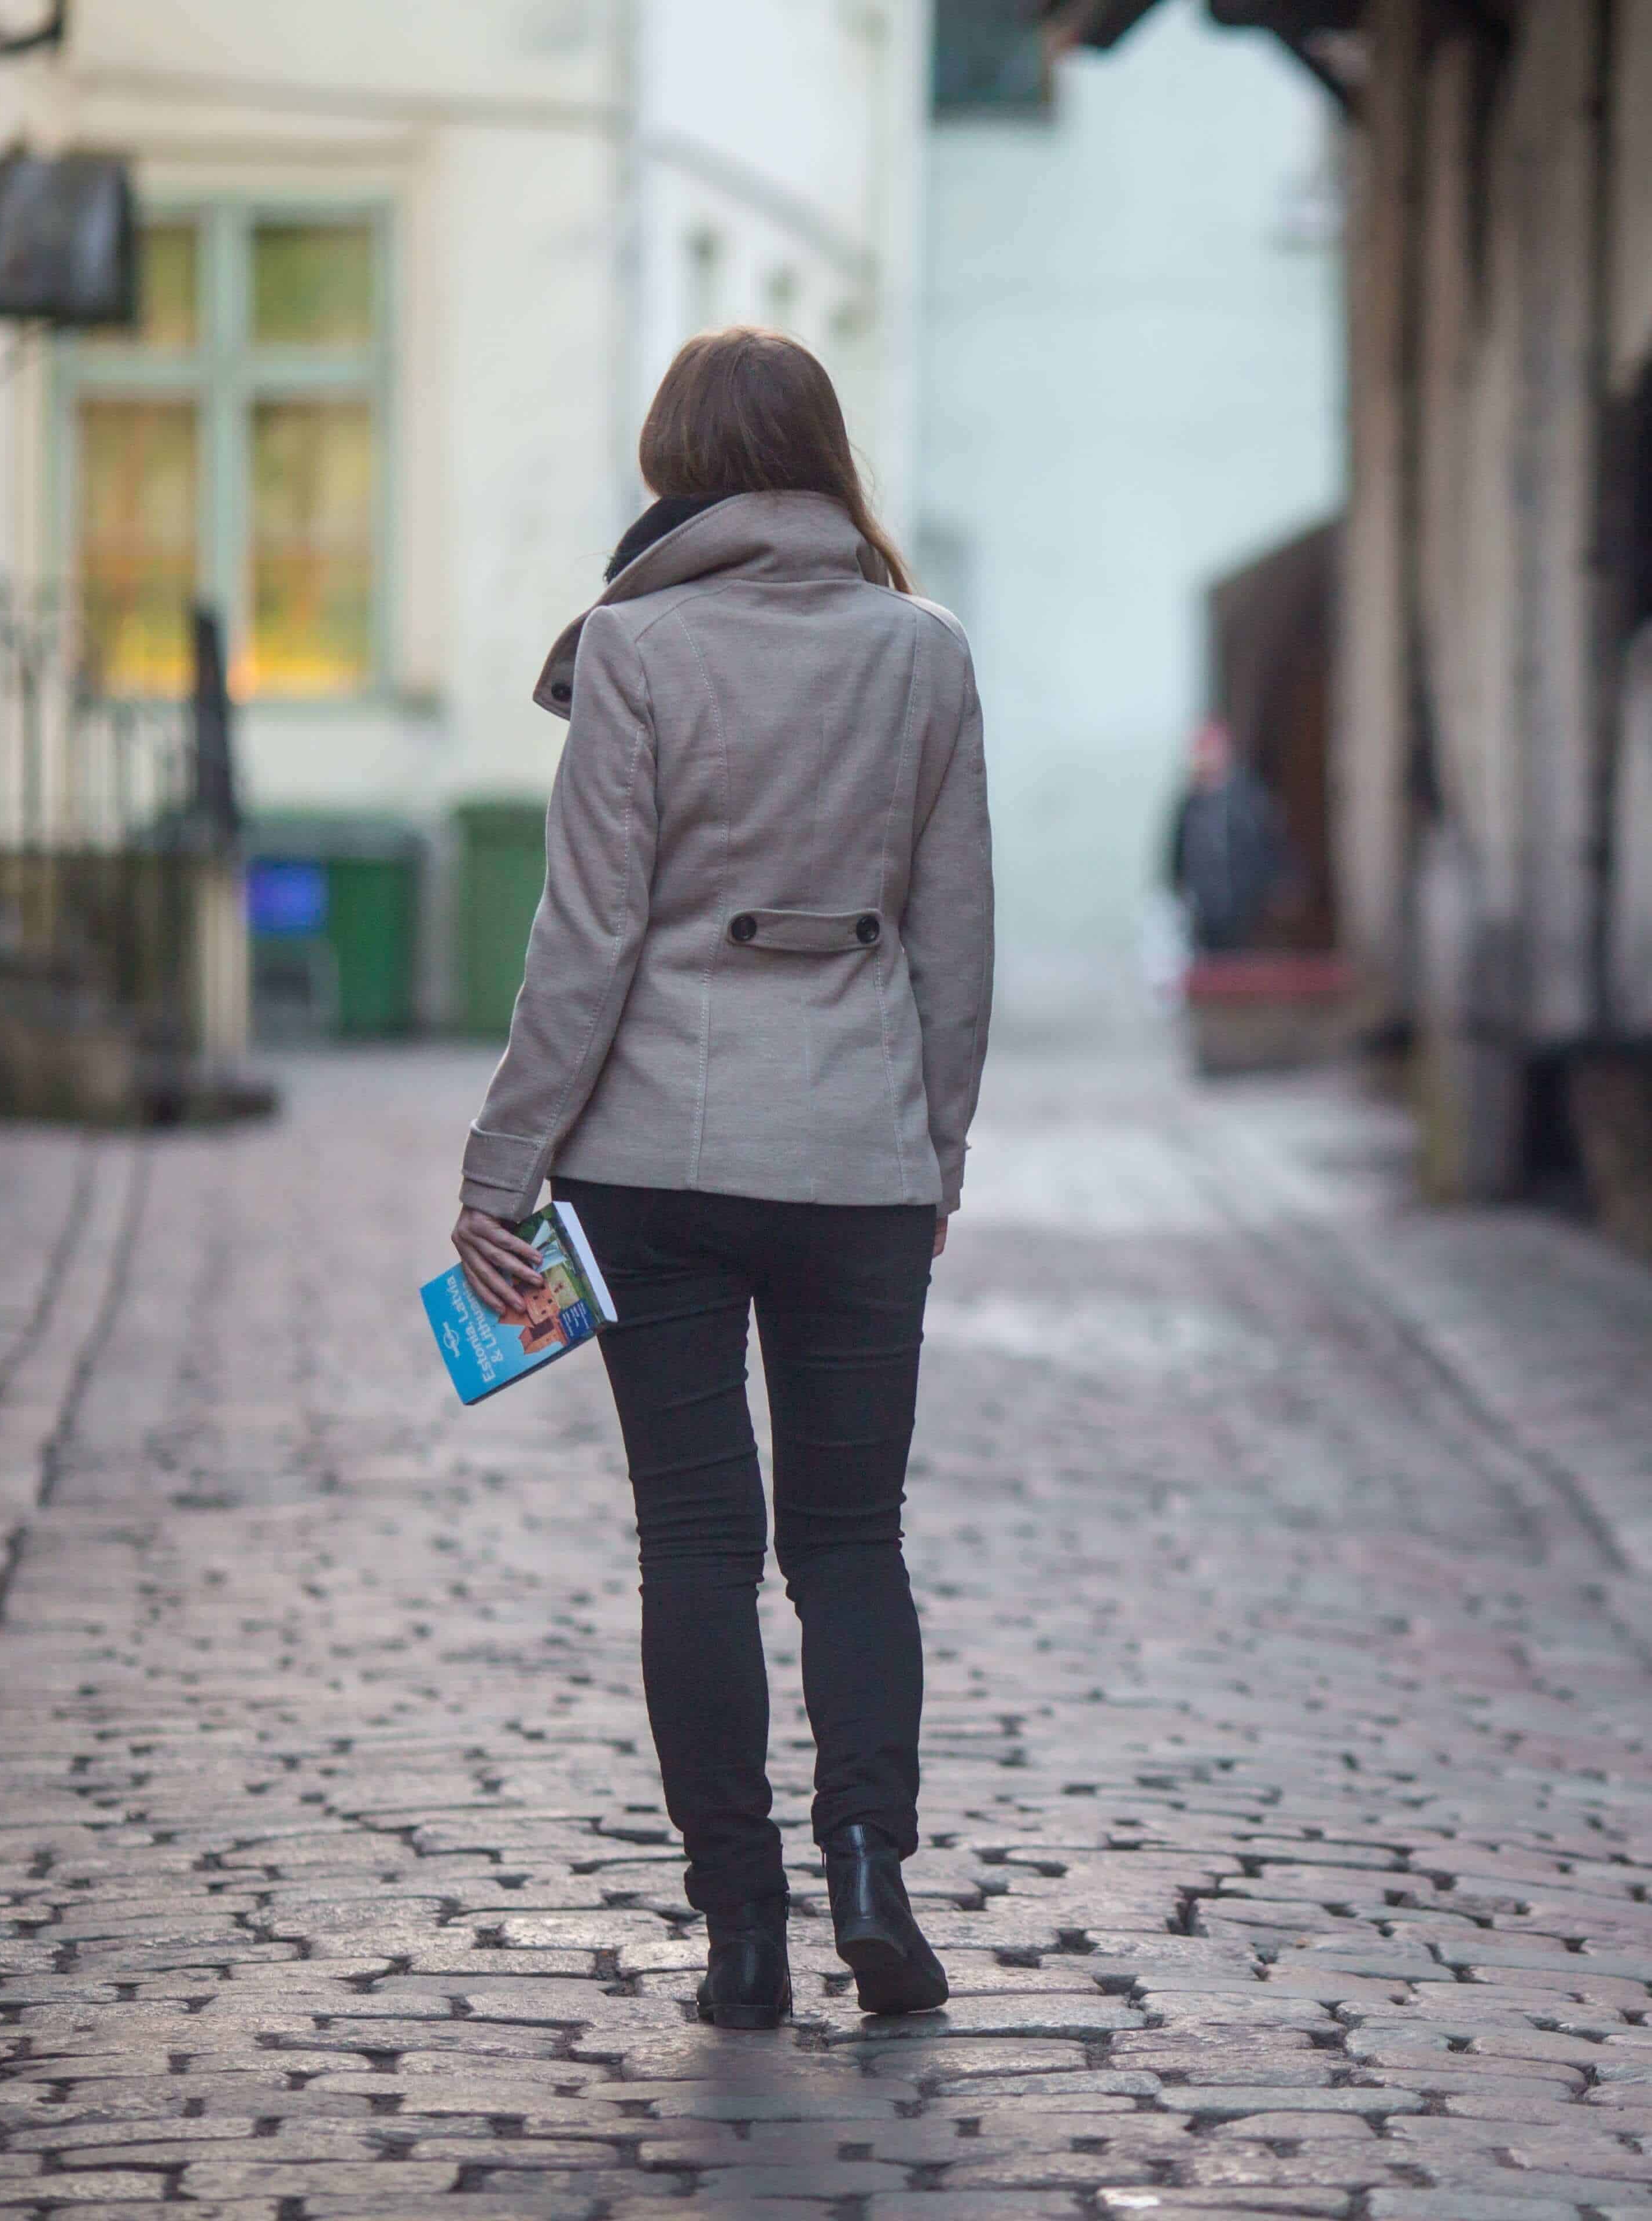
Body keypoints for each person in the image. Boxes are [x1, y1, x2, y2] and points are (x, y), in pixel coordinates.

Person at [448, 327, 991, 2032]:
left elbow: (588, 941)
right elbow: (958, 943)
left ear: (671, 462)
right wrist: (934, 1150)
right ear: (824, 454)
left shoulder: (630, 650)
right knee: (852, 1541)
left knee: (694, 1542)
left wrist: (503, 1164)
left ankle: (741, 1934)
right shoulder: (923, 652)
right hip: (860, 1163)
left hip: (647, 1164)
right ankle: (874, 1873)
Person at [1162, 717, 1290, 954]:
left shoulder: (1248, 797)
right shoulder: (1190, 804)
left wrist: (1278, 884)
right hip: (1205, 910)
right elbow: (1176, 855)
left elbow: (1270, 844)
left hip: (1246, 908)